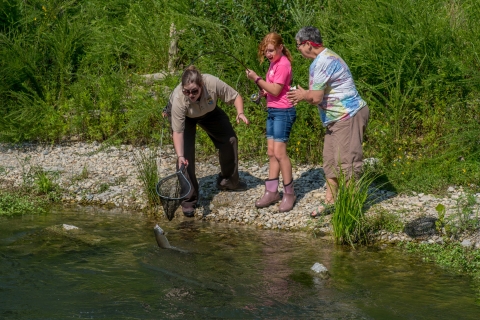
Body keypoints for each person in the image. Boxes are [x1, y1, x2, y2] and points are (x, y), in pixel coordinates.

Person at [287, 26, 369, 217]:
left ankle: (351, 209)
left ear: (308, 44)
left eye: (298, 45)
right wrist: (304, 94)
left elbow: (315, 97)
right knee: (331, 161)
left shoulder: (322, 62)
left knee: (347, 163)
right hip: (335, 120)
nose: (298, 49)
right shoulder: (324, 58)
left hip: (348, 116)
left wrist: (302, 94)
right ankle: (330, 202)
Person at [166, 66, 250, 217]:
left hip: (209, 112)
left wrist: (240, 112)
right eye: (187, 91)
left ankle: (228, 180)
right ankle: (188, 199)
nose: (190, 95)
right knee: (185, 156)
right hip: (186, 117)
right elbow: (178, 132)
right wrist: (180, 156)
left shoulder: (212, 83)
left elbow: (235, 96)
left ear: (202, 86)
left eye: (194, 91)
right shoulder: (179, 98)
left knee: (230, 140)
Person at [246, 32, 297, 213]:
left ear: (280, 47)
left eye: (271, 50)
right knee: (271, 152)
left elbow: (276, 90)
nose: (268, 54)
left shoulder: (283, 64)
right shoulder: (273, 64)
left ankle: (289, 194)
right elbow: (273, 90)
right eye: (266, 51)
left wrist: (257, 79)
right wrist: (263, 92)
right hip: (273, 111)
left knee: (280, 153)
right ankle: (272, 191)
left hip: (284, 112)